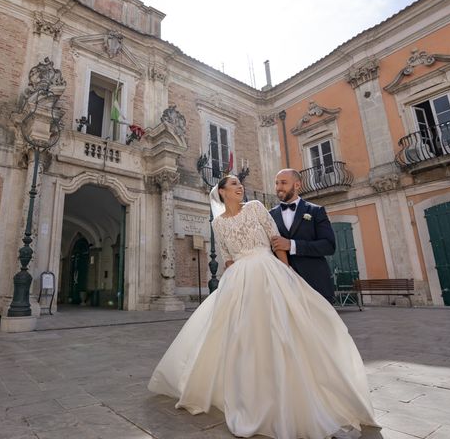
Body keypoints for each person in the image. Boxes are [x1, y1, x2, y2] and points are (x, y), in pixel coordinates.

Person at [148, 175, 378, 439]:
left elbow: (275, 239)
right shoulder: (217, 224)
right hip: (239, 279)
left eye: (239, 183)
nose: (239, 186)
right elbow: (227, 258)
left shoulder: (256, 207)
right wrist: (230, 280)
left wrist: (287, 272)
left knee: (280, 328)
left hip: (269, 270)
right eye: (233, 184)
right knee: (241, 335)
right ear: (222, 192)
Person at [269, 169, 336, 302]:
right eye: (276, 183)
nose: (279, 188)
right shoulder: (269, 215)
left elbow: (329, 246)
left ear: (297, 185)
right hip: (283, 286)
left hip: (315, 283)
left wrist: (291, 245)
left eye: (283, 183)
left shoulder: (316, 211)